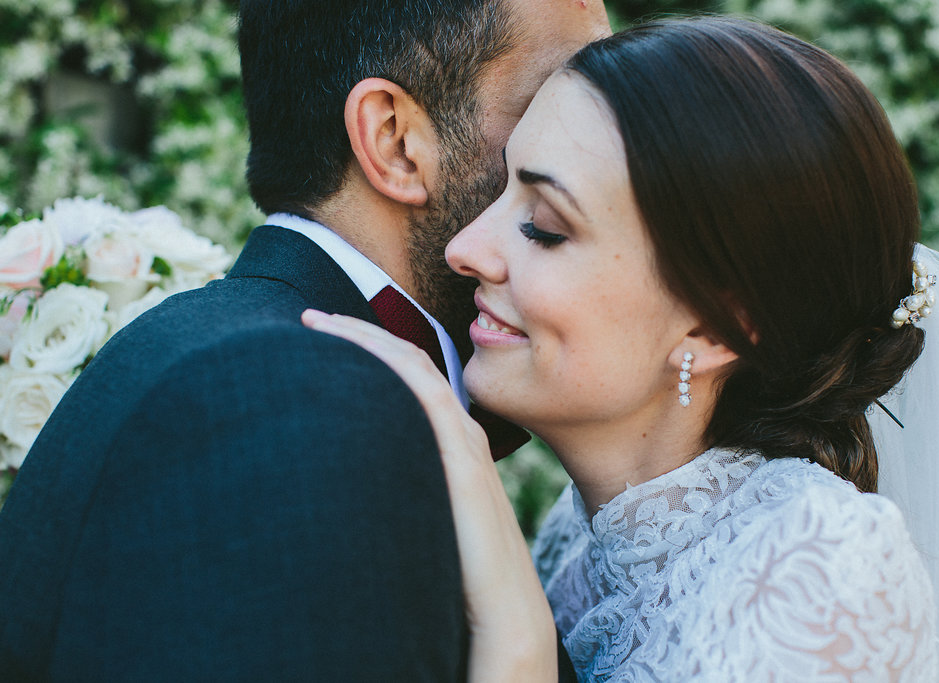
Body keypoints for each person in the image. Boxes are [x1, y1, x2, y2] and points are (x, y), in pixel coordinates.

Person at [303, 17, 939, 681]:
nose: (466, 249)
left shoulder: (821, 566)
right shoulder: (577, 544)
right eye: (500, 191)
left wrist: (517, 639)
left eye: (545, 226)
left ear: (716, 328)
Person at [0, 1, 610, 680]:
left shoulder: (261, 366)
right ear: (396, 142)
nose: (601, 148)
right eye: (550, 102)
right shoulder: (289, 407)